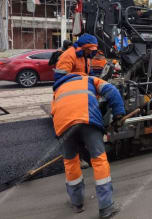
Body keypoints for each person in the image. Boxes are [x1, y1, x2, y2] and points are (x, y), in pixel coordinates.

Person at [51, 73, 126, 217]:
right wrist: (118, 114)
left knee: (71, 162)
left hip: (63, 127)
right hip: (87, 120)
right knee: (99, 160)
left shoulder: (57, 90)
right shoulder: (90, 79)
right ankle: (106, 207)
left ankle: (76, 203)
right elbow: (112, 91)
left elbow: (54, 113)